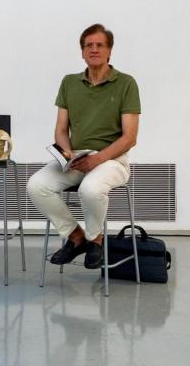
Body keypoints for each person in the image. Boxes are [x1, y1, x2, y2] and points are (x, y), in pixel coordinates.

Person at [26, 23, 141, 270]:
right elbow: (61, 129)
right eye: (88, 45)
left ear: (109, 51)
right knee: (36, 185)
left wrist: (98, 160)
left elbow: (129, 137)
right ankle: (76, 237)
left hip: (112, 160)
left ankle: (95, 240)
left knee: (89, 190)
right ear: (82, 52)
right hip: (78, 158)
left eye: (100, 45)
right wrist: (67, 153)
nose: (94, 49)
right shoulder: (69, 83)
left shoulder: (126, 84)